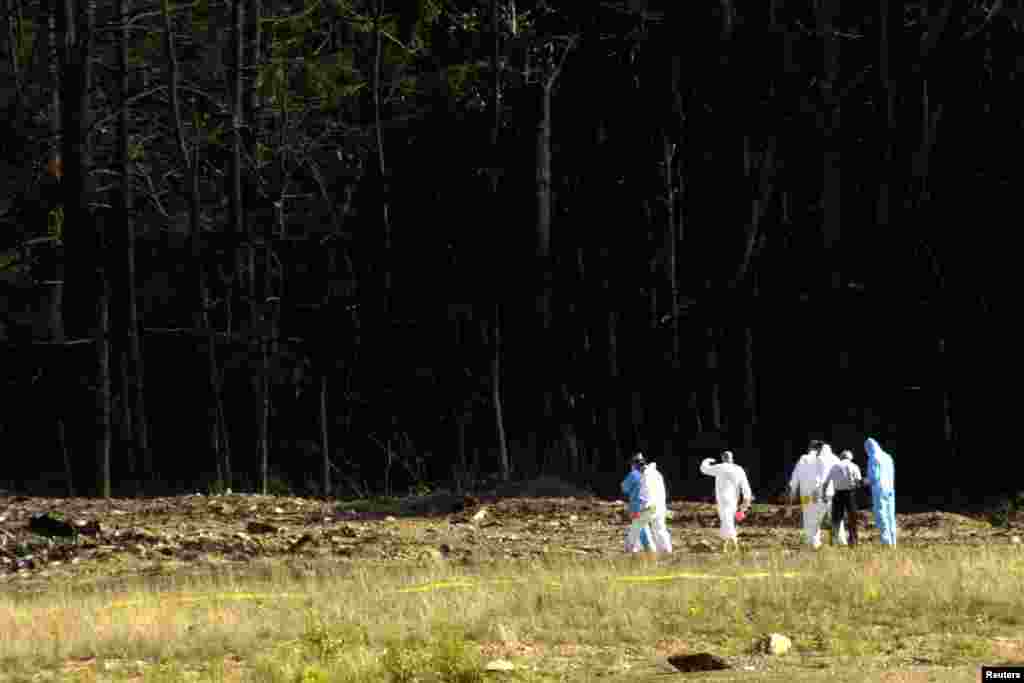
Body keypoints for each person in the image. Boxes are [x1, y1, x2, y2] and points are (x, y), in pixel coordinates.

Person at [700, 451, 754, 552]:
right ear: (732, 458)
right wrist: (746, 502)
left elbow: (704, 469)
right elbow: (746, 487)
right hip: (734, 500)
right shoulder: (739, 469)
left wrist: (707, 460)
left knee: (726, 520)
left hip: (723, 499)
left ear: (723, 458)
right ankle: (724, 546)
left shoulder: (721, 467)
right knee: (727, 521)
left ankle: (733, 544)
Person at [788, 440, 826, 548]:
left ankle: (809, 540)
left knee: (807, 514)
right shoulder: (820, 459)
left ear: (809, 448)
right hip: (816, 492)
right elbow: (824, 476)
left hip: (805, 493)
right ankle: (815, 541)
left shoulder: (803, 458)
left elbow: (795, 476)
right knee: (816, 516)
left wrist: (793, 490)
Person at [823, 449, 862, 546]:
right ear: (850, 458)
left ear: (841, 457)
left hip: (837, 494)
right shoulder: (854, 466)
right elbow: (858, 482)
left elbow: (826, 483)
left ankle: (833, 541)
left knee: (836, 518)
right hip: (849, 494)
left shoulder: (834, 467)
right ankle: (853, 541)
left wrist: (824, 495)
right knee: (852, 518)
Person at [864, 437, 896, 546]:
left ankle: (886, 542)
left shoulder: (873, 458)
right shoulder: (887, 456)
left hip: (879, 490)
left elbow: (874, 477)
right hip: (890, 489)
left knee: (881, 516)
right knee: (890, 515)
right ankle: (893, 542)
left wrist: (864, 481)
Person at [815, 443, 848, 545]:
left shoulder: (818, 459)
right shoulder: (836, 459)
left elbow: (816, 477)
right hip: (835, 492)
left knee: (816, 518)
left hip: (822, 492)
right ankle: (841, 540)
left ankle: (815, 541)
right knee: (837, 518)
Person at [639, 459, 673, 553]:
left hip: (650, 506)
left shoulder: (645, 475)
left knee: (640, 526)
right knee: (660, 528)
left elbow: (646, 491)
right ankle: (666, 549)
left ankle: (649, 550)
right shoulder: (657, 473)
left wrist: (643, 506)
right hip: (660, 505)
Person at [621, 453, 652, 552]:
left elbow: (624, 487)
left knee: (639, 526)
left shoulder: (634, 474)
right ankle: (640, 546)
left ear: (634, 464)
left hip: (637, 505)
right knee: (642, 525)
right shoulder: (649, 473)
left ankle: (647, 547)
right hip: (649, 504)